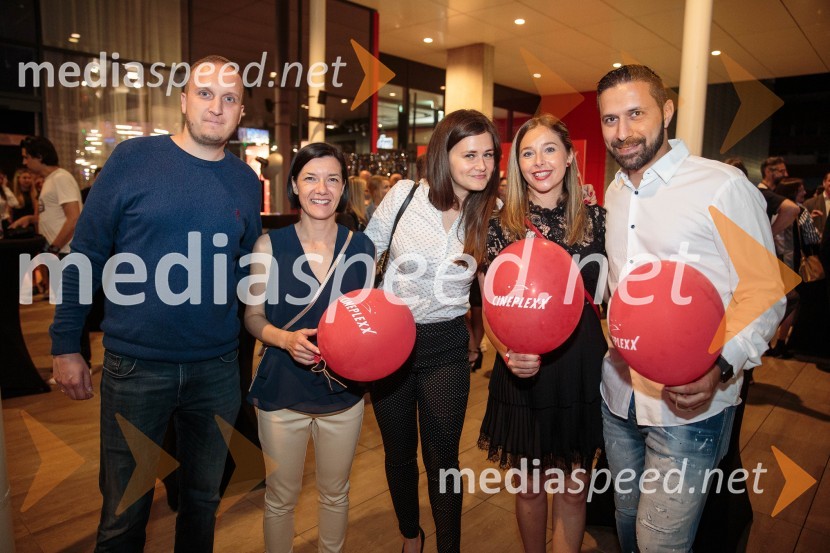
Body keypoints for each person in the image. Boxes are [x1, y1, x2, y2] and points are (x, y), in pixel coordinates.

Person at [49, 54, 262, 552]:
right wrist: (65, 344)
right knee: (124, 516)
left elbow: (246, 266)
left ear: (240, 112)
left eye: (229, 98)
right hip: (136, 367)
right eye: (205, 93)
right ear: (184, 100)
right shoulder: (133, 159)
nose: (216, 106)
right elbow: (87, 253)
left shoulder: (245, 181)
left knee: (203, 504)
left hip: (217, 368)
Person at [596, 64, 784, 552]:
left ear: (667, 111)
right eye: (610, 119)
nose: (622, 131)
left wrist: (720, 366)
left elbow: (765, 290)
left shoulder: (720, 186)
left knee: (660, 543)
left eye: (635, 113)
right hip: (619, 396)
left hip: (689, 407)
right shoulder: (615, 193)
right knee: (625, 522)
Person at [365, 109, 500, 553]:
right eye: (470, 155)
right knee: (399, 452)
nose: (482, 165)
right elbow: (364, 258)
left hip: (446, 345)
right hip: (391, 343)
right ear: (444, 154)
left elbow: (501, 285)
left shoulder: (491, 213)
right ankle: (411, 534)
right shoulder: (405, 196)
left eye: (488, 155)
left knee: (443, 459)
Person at [477, 114, 607, 553]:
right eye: (528, 153)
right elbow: (490, 310)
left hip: (580, 365)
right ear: (517, 164)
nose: (539, 161)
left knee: (573, 488)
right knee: (530, 488)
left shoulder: (599, 221)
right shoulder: (499, 228)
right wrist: (507, 353)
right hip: (522, 367)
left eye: (550, 149)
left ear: (569, 157)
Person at [246, 143, 374, 553]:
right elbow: (253, 317)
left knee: (335, 493)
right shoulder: (268, 246)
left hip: (342, 392)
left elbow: (367, 322)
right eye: (311, 178)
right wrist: (284, 339)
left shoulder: (362, 248)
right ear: (295, 187)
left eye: (332, 179)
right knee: (280, 498)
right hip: (282, 389)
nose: (322, 188)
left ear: (343, 188)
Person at [757, 155, 799, 235]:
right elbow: (793, 208)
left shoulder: (764, 193)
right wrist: (770, 234)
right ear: (768, 172)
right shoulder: (764, 193)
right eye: (781, 171)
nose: (786, 175)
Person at [805, 170, 830, 238]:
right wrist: (809, 219)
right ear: (824, 183)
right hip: (819, 243)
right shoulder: (809, 204)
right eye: (829, 181)